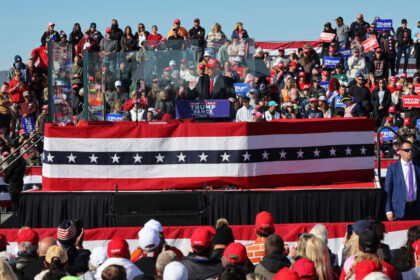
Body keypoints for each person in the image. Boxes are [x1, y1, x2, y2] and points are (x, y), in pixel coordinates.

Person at [385, 141, 420, 220]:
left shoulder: (417, 167)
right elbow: (388, 190)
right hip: (400, 209)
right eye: (407, 150)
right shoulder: (393, 168)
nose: (410, 152)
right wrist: (388, 210)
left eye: (411, 150)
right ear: (400, 152)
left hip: (416, 208)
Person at [3, 147, 26, 213]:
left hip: (14, 181)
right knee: (17, 197)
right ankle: (19, 211)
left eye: (14, 150)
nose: (13, 151)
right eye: (12, 150)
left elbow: (10, 170)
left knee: (14, 197)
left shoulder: (15, 160)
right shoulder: (22, 159)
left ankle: (16, 212)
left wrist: (6, 179)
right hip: (19, 181)